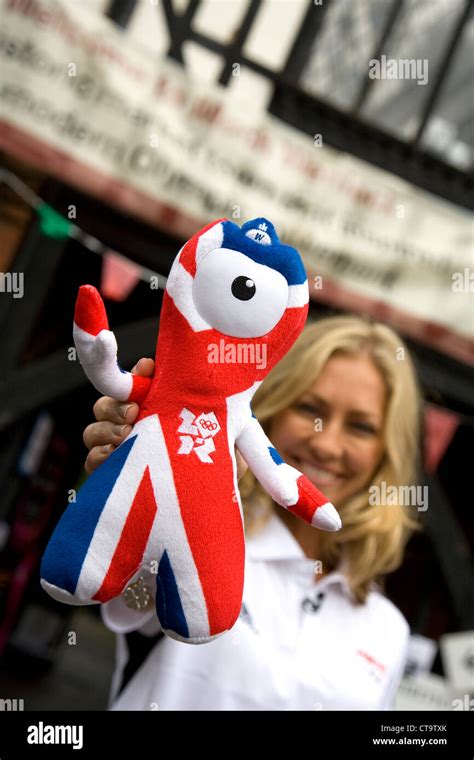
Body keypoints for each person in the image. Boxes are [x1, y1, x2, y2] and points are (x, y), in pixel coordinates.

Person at [82, 315, 422, 710]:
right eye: (310, 408)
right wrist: (139, 477)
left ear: (387, 453)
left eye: (360, 427)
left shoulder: (387, 629)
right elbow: (134, 595)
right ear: (268, 410)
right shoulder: (199, 532)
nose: (327, 445)